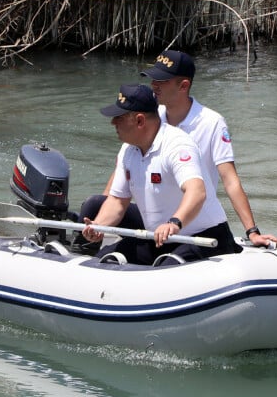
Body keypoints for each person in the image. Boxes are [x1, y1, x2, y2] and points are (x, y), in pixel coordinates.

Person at [78, 50, 277, 251]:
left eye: (162, 80)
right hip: (158, 215)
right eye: (153, 79)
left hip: (192, 219)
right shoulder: (148, 124)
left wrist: (251, 231)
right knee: (95, 205)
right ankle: (82, 253)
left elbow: (229, 181)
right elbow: (121, 185)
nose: (154, 85)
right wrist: (100, 225)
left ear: (183, 86)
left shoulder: (210, 124)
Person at [81, 84, 240, 266]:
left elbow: (196, 192)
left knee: (168, 267)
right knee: (102, 259)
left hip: (205, 238)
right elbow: (117, 201)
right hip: (159, 239)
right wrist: (98, 226)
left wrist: (174, 223)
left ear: (140, 121)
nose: (113, 123)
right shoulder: (128, 150)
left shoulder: (177, 145)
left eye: (119, 118)